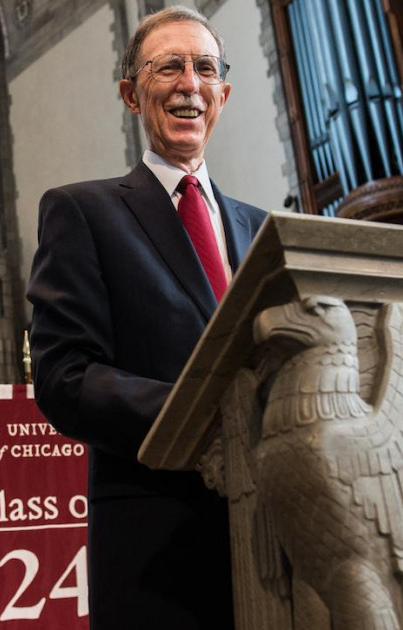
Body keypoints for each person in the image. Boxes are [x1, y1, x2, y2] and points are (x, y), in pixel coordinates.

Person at [26, 6, 267, 628]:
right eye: (170, 67)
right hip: (159, 548)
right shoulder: (82, 211)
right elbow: (65, 377)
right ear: (132, 93)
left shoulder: (264, 231)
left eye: (205, 68)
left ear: (224, 94)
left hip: (274, 532)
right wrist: (210, 418)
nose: (190, 83)